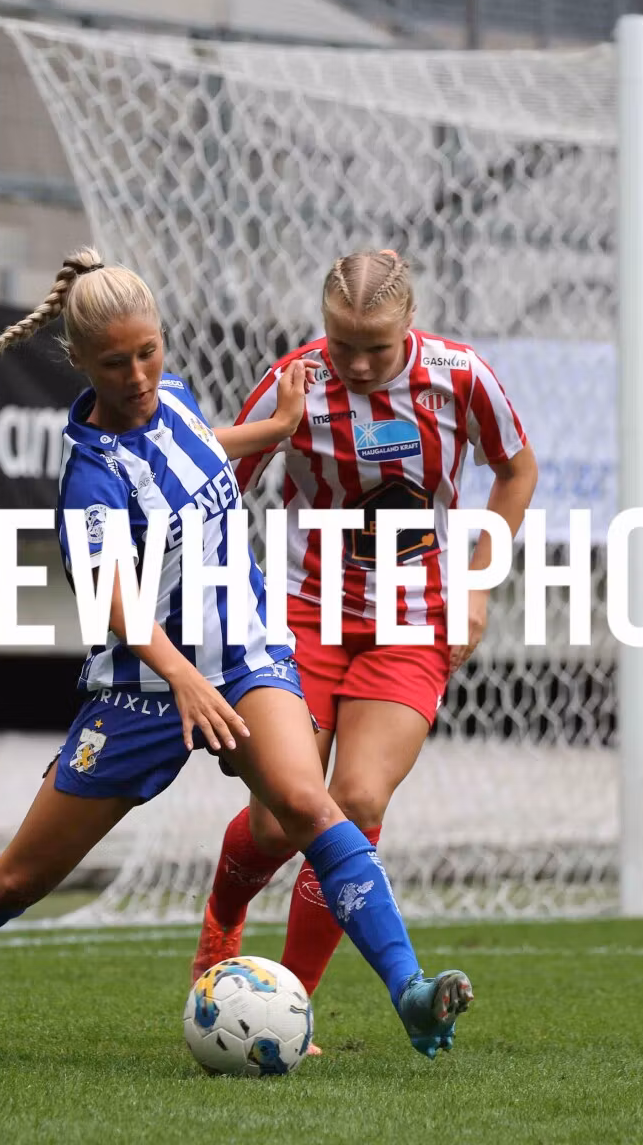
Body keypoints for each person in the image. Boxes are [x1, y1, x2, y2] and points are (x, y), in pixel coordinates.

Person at [0, 248, 474, 1060]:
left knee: (311, 807)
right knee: (19, 877)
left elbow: (195, 446)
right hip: (143, 690)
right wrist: (182, 678)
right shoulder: (91, 475)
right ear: (78, 362)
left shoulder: (176, 399)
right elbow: (112, 600)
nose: (137, 376)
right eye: (115, 363)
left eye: (148, 352)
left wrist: (275, 430)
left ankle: (411, 993)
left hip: (243, 655)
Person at [187, 249, 537, 1053]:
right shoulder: (295, 381)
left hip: (412, 623)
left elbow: (516, 471)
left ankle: (286, 1004)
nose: (357, 363)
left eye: (376, 346)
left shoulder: (461, 377)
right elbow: (217, 485)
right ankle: (223, 920)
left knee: (357, 801)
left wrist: (478, 584)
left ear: (410, 322)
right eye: (342, 342)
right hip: (301, 621)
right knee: (279, 823)